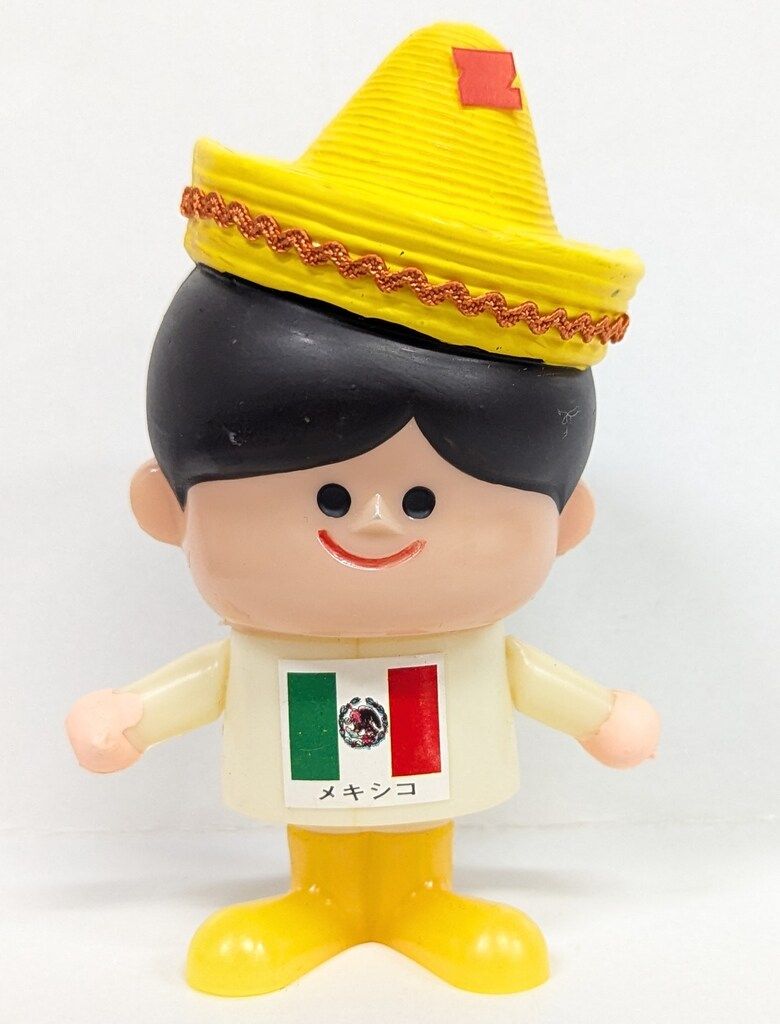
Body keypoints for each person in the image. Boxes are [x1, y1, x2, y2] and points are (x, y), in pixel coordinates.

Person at [65, 23, 659, 996]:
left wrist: (601, 717)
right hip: (307, 771)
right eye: (329, 492)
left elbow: (527, 679)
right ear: (168, 505)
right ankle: (320, 899)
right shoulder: (262, 643)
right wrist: (131, 715)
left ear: (564, 523)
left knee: (420, 810)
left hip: (431, 779)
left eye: (427, 497)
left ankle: (423, 896)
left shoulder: (472, 643)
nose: (377, 522)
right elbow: (204, 684)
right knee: (321, 805)